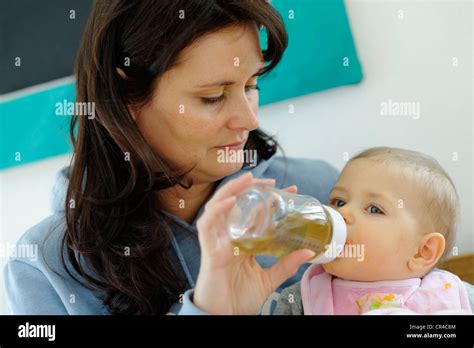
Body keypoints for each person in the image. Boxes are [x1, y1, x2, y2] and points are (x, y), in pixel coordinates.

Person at [3, 0, 338, 315]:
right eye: (213, 97)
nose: (249, 120)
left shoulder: (322, 193)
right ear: (125, 97)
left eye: (251, 86)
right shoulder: (44, 269)